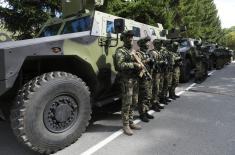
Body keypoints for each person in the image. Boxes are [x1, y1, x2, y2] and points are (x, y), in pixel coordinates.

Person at [113, 30, 141, 136]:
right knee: (127, 103)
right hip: (126, 80)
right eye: (128, 37)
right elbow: (120, 65)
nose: (130, 39)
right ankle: (125, 125)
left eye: (131, 37)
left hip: (134, 79)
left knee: (134, 101)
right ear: (123, 39)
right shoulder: (121, 51)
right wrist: (134, 65)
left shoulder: (132, 50)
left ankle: (131, 122)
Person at [136, 37, 155, 123]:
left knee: (148, 95)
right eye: (147, 43)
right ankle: (142, 113)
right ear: (142, 44)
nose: (148, 44)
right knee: (143, 96)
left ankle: (146, 111)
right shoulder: (138, 53)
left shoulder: (148, 53)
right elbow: (138, 64)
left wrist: (152, 62)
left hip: (149, 76)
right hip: (142, 78)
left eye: (148, 42)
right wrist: (147, 61)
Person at [150, 39, 166, 110]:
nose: (161, 45)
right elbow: (153, 63)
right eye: (159, 44)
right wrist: (162, 62)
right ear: (155, 45)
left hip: (160, 72)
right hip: (155, 73)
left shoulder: (159, 52)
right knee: (155, 88)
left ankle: (157, 102)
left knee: (159, 87)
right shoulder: (153, 52)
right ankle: (153, 103)